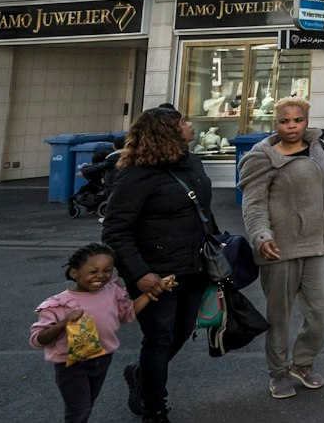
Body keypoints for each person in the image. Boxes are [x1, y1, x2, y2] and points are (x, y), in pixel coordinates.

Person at [102, 106, 218, 423]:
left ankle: (140, 374)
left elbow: (201, 211)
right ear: (167, 132)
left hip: (194, 265)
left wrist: (216, 246)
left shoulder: (191, 163)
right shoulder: (136, 174)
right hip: (156, 273)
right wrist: (140, 275)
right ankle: (154, 407)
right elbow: (115, 230)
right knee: (159, 338)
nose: (189, 125)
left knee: (182, 332)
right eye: (182, 122)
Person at [239, 95, 324, 400]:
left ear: (306, 120)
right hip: (280, 248)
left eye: (297, 120)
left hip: (321, 244)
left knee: (320, 312)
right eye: (285, 121)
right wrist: (261, 236)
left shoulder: (320, 148)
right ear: (275, 123)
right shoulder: (261, 157)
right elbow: (254, 204)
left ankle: (304, 363)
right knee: (280, 316)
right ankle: (278, 372)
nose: (291, 126)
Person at [31, 242, 174, 423]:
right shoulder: (59, 304)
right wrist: (63, 323)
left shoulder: (111, 292)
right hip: (72, 366)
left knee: (87, 404)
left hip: (102, 359)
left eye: (107, 270)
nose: (101, 276)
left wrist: (150, 292)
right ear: (74, 273)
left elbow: (127, 314)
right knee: (79, 411)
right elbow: (38, 339)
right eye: (93, 271)